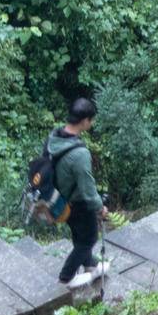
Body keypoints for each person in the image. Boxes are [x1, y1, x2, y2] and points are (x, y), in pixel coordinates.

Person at [49, 97, 109, 288]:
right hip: (77, 204)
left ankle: (90, 265)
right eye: (91, 120)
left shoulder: (55, 137)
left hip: (59, 200)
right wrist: (100, 209)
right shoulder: (79, 154)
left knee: (79, 235)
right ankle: (66, 278)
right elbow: (87, 189)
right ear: (85, 121)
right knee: (89, 238)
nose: (92, 123)